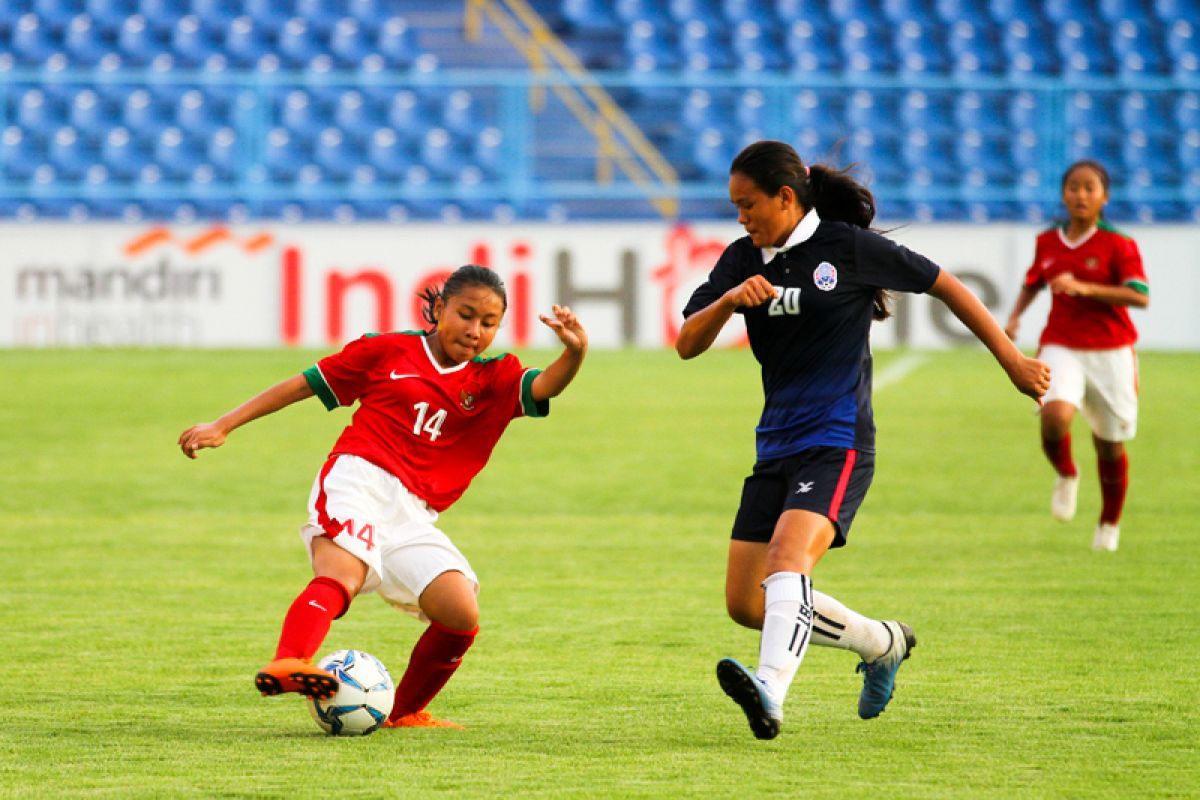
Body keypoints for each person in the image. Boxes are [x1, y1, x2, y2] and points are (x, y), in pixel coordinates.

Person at [675, 140, 1050, 740]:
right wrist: (727, 301)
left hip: (837, 439)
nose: (740, 217)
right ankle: (882, 642)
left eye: (748, 204)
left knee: (786, 562)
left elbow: (944, 284)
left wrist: (1012, 362)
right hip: (774, 444)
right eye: (734, 207)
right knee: (748, 605)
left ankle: (770, 689)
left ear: (786, 197)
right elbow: (686, 343)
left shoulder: (846, 249)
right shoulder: (742, 258)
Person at [178, 265, 587, 728]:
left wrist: (575, 353)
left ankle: (404, 712)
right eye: (465, 315)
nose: (474, 331)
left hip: (413, 512)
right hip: (358, 479)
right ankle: (289, 662)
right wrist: (223, 425)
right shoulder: (387, 350)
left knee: (459, 612)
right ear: (438, 309)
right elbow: (302, 385)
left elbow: (545, 386)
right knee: (344, 573)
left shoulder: (494, 377)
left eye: (488, 323)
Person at [1004, 160, 1149, 552]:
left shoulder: (1119, 244)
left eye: (1089, 188)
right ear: (1063, 194)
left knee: (1110, 445)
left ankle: (1109, 522)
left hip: (1112, 352)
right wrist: (1015, 316)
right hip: (1061, 344)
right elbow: (1034, 280)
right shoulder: (1048, 241)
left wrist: (1086, 289)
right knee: (1053, 418)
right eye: (1073, 187)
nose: (1080, 195)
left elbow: (1140, 295)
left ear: (1104, 197)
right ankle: (1067, 473)